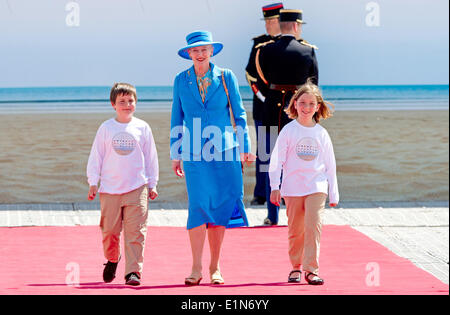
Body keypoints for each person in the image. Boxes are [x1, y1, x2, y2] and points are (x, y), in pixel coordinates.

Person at [170, 31, 254, 286]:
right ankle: (195, 267)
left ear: (212, 51)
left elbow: (239, 115)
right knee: (198, 206)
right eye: (195, 50)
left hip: (226, 150)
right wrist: (176, 153)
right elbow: (177, 116)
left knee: (220, 207)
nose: (200, 54)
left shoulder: (227, 76)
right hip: (194, 152)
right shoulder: (180, 80)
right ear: (189, 53)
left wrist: (245, 147)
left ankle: (215, 267)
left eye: (204, 49)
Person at [86, 83, 159, 286]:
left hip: (137, 187)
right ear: (113, 104)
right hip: (109, 190)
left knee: (136, 232)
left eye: (130, 101)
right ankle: (112, 259)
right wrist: (93, 182)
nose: (127, 105)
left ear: (136, 103)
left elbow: (151, 157)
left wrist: (152, 184)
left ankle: (133, 272)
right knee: (109, 232)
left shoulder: (142, 127)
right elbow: (96, 157)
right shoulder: (106, 128)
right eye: (122, 102)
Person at [269, 80, 338, 285]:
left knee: (313, 225)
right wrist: (275, 187)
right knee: (296, 230)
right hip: (292, 188)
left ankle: (311, 270)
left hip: (317, 186)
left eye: (311, 104)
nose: (306, 108)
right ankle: (296, 267)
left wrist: (333, 193)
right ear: (295, 104)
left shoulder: (321, 133)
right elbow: (276, 162)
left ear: (318, 107)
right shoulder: (288, 131)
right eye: (303, 103)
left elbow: (330, 165)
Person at [255, 9, 319, 226]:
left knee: (268, 162)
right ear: (295, 26)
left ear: (281, 25)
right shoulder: (307, 51)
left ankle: (272, 216)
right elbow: (313, 86)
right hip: (299, 113)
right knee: (300, 163)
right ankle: (297, 214)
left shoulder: (265, 50)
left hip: (272, 108)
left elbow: (262, 80)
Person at [245, 2, 284, 206]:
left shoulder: (291, 44)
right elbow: (250, 74)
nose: (268, 25)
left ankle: (284, 192)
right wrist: (262, 96)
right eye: (267, 21)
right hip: (263, 105)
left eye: (272, 20)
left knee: (286, 152)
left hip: (286, 108)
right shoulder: (259, 44)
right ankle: (261, 193)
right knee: (264, 153)